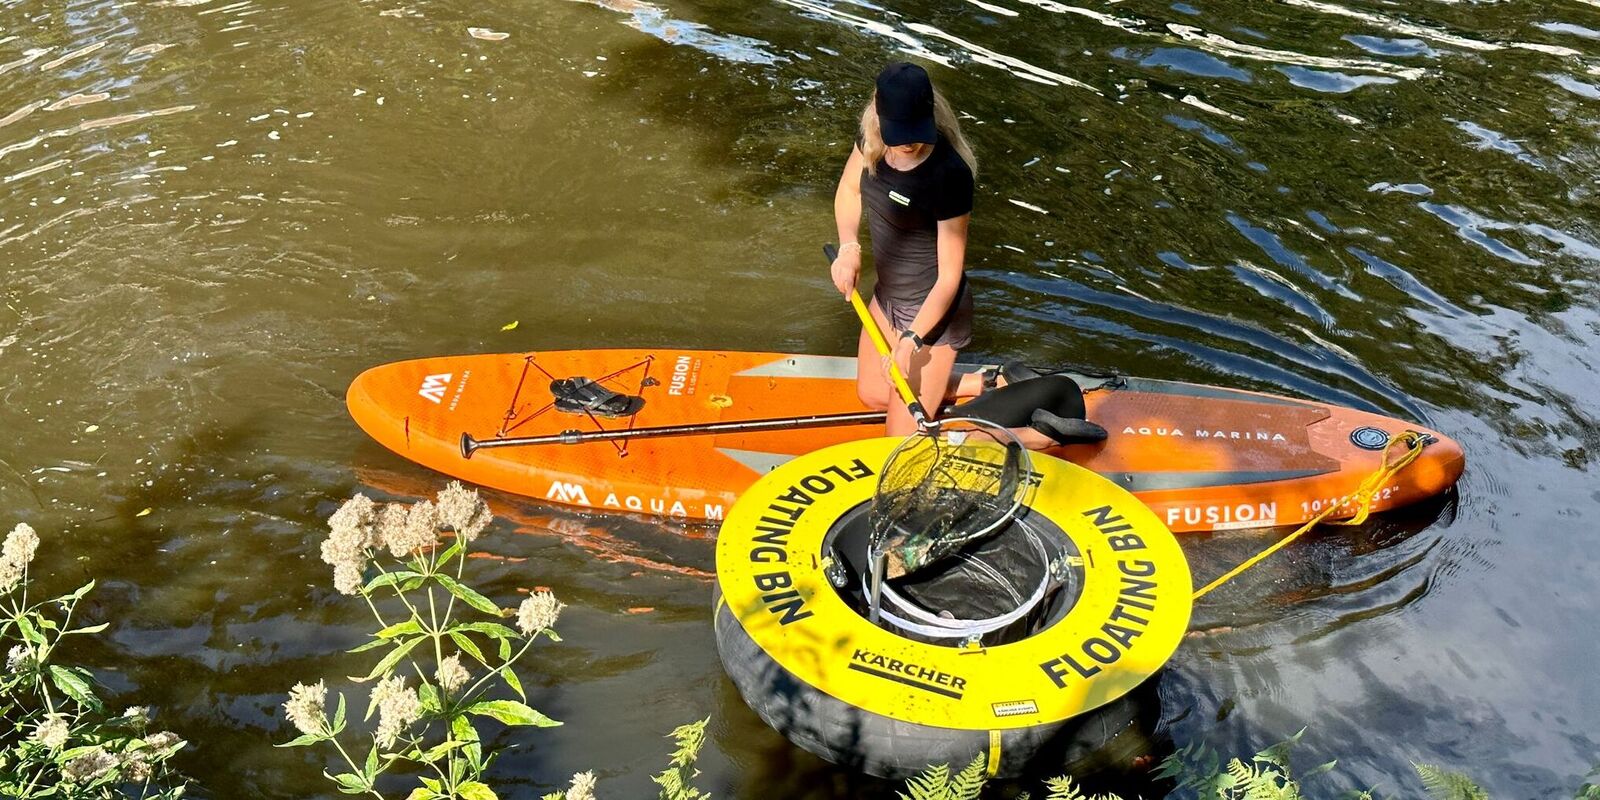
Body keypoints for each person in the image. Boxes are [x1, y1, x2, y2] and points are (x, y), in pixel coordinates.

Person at [829, 62, 1101, 448]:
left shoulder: (948, 174)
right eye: (900, 134)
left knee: (901, 446)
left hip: (931, 317)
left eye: (917, 132)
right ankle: (990, 381)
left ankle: (1037, 435)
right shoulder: (870, 139)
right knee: (872, 394)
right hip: (888, 298)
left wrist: (911, 341)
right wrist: (848, 248)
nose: (910, 143)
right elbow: (849, 191)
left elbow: (949, 277)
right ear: (879, 116)